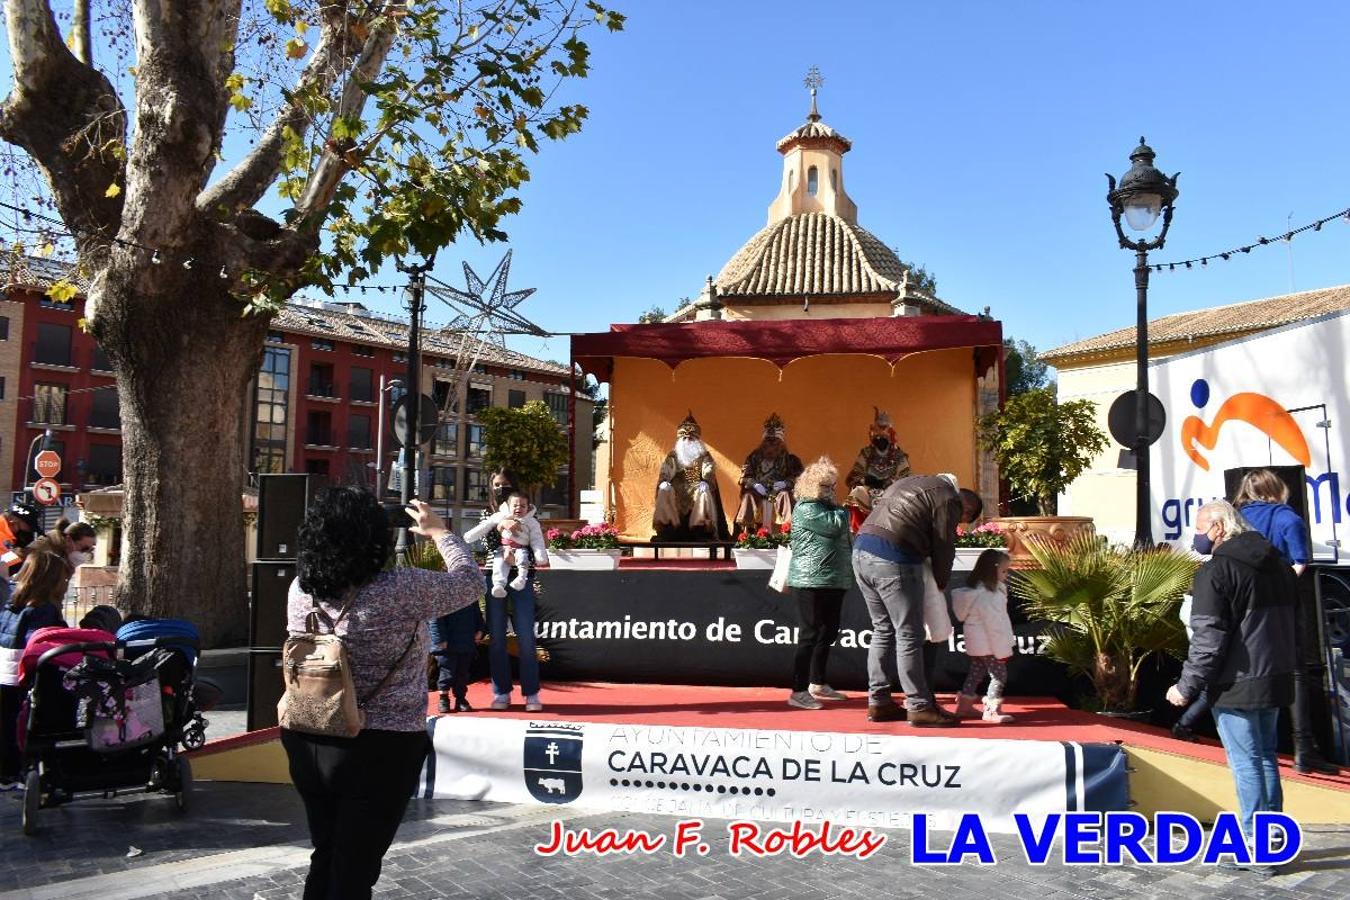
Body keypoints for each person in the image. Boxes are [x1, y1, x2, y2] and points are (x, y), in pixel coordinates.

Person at [281, 488, 482, 900]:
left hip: (308, 734)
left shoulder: (302, 589)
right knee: (356, 867)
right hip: (381, 745)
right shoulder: (401, 587)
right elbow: (470, 581)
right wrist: (440, 532)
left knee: (328, 852)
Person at [1167, 500, 1297, 873]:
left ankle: (1257, 848)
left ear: (1219, 527)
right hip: (1275, 676)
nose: (1196, 536)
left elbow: (1208, 638)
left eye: (1199, 528)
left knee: (1246, 764)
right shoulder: (1280, 565)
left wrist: (1185, 687)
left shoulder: (1215, 572)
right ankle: (1274, 841)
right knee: (1265, 758)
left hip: (1237, 681)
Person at [853, 473, 983, 727]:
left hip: (861, 552)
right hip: (895, 558)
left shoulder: (910, 481)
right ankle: (919, 706)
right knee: (909, 634)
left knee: (882, 629)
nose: (959, 523)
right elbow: (943, 545)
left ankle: (879, 701)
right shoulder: (949, 499)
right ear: (966, 507)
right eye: (963, 521)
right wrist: (941, 580)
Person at [1233, 468, 1339, 775]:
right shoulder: (1287, 518)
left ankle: (1191, 724)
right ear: (1278, 488)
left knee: (1243, 665)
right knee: (1295, 671)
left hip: (1244, 603)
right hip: (1282, 604)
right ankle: (1303, 748)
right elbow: (1300, 562)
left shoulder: (1237, 519)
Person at [465, 489, 549, 712]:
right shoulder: (489, 514)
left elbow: (535, 542)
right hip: (496, 576)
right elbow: (485, 541)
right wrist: (502, 527)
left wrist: (526, 555)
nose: (499, 488)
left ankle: (531, 693)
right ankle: (501, 692)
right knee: (497, 638)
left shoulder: (531, 517)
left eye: (504, 484)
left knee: (526, 636)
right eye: (496, 484)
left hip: (523, 575)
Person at [783, 457, 853, 710]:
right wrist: (847, 508)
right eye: (825, 486)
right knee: (809, 634)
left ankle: (818, 682)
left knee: (829, 631)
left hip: (834, 578)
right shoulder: (806, 508)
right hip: (809, 579)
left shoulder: (829, 507)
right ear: (812, 486)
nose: (831, 491)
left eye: (833, 486)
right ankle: (798, 690)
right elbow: (836, 527)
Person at [0, 548, 71, 789]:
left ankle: (7, 773)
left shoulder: (12, 603)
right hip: (26, 677)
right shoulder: (44, 610)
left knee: (7, 726)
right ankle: (25, 772)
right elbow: (41, 641)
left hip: (5, 674)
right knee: (29, 726)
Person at [951, 549, 1015, 723]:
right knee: (999, 675)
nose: (1007, 574)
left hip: (978, 644)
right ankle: (991, 710)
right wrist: (1002, 651)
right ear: (992, 570)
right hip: (989, 644)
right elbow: (995, 626)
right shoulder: (989, 596)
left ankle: (964, 706)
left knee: (976, 672)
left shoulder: (977, 593)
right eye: (1004, 571)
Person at [652, 411, 730, 541]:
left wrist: (706, 481)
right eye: (684, 438)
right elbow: (666, 470)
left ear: (697, 439)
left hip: (697, 485)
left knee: (703, 491)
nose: (687, 440)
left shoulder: (704, 455)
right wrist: (664, 481)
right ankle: (667, 530)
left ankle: (701, 530)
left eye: (691, 438)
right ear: (680, 439)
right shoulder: (673, 455)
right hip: (676, 488)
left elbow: (708, 469)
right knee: (664, 490)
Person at [844, 408, 912, 533]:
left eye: (884, 435)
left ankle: (894, 532)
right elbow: (854, 475)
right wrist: (867, 480)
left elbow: (907, 478)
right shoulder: (866, 453)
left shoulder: (898, 455)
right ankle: (859, 532)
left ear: (891, 435)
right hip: (868, 489)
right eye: (878, 435)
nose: (880, 438)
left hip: (891, 490)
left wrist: (891, 482)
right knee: (856, 493)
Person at [735, 413, 804, 533]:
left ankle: (787, 532)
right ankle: (748, 532)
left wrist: (785, 483)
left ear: (781, 441)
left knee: (785, 496)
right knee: (748, 496)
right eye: (768, 440)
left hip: (779, 493)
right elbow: (745, 477)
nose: (771, 443)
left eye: (775, 440)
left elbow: (799, 478)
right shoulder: (754, 457)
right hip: (758, 492)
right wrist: (755, 484)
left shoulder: (790, 459)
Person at [429, 599, 484, 714]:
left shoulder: (471, 594)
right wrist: (440, 638)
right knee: (447, 671)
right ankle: (443, 698)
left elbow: (477, 613)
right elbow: (435, 617)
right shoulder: (442, 594)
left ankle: (460, 698)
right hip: (447, 643)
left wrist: (480, 629)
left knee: (462, 672)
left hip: (466, 641)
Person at [489, 493, 547, 599]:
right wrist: (500, 525)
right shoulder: (498, 516)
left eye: (523, 506)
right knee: (499, 564)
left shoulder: (531, 521)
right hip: (502, 550)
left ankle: (521, 579)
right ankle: (498, 585)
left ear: (528, 507)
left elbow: (537, 539)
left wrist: (540, 556)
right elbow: (485, 532)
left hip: (520, 548)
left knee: (522, 559)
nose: (518, 508)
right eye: (515, 506)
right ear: (508, 506)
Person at [0, 501, 41, 576]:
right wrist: (21, 555)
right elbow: (3, 566)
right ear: (14, 521)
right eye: (29, 527)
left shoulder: (9, 534)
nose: (28, 531)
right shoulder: (2, 533)